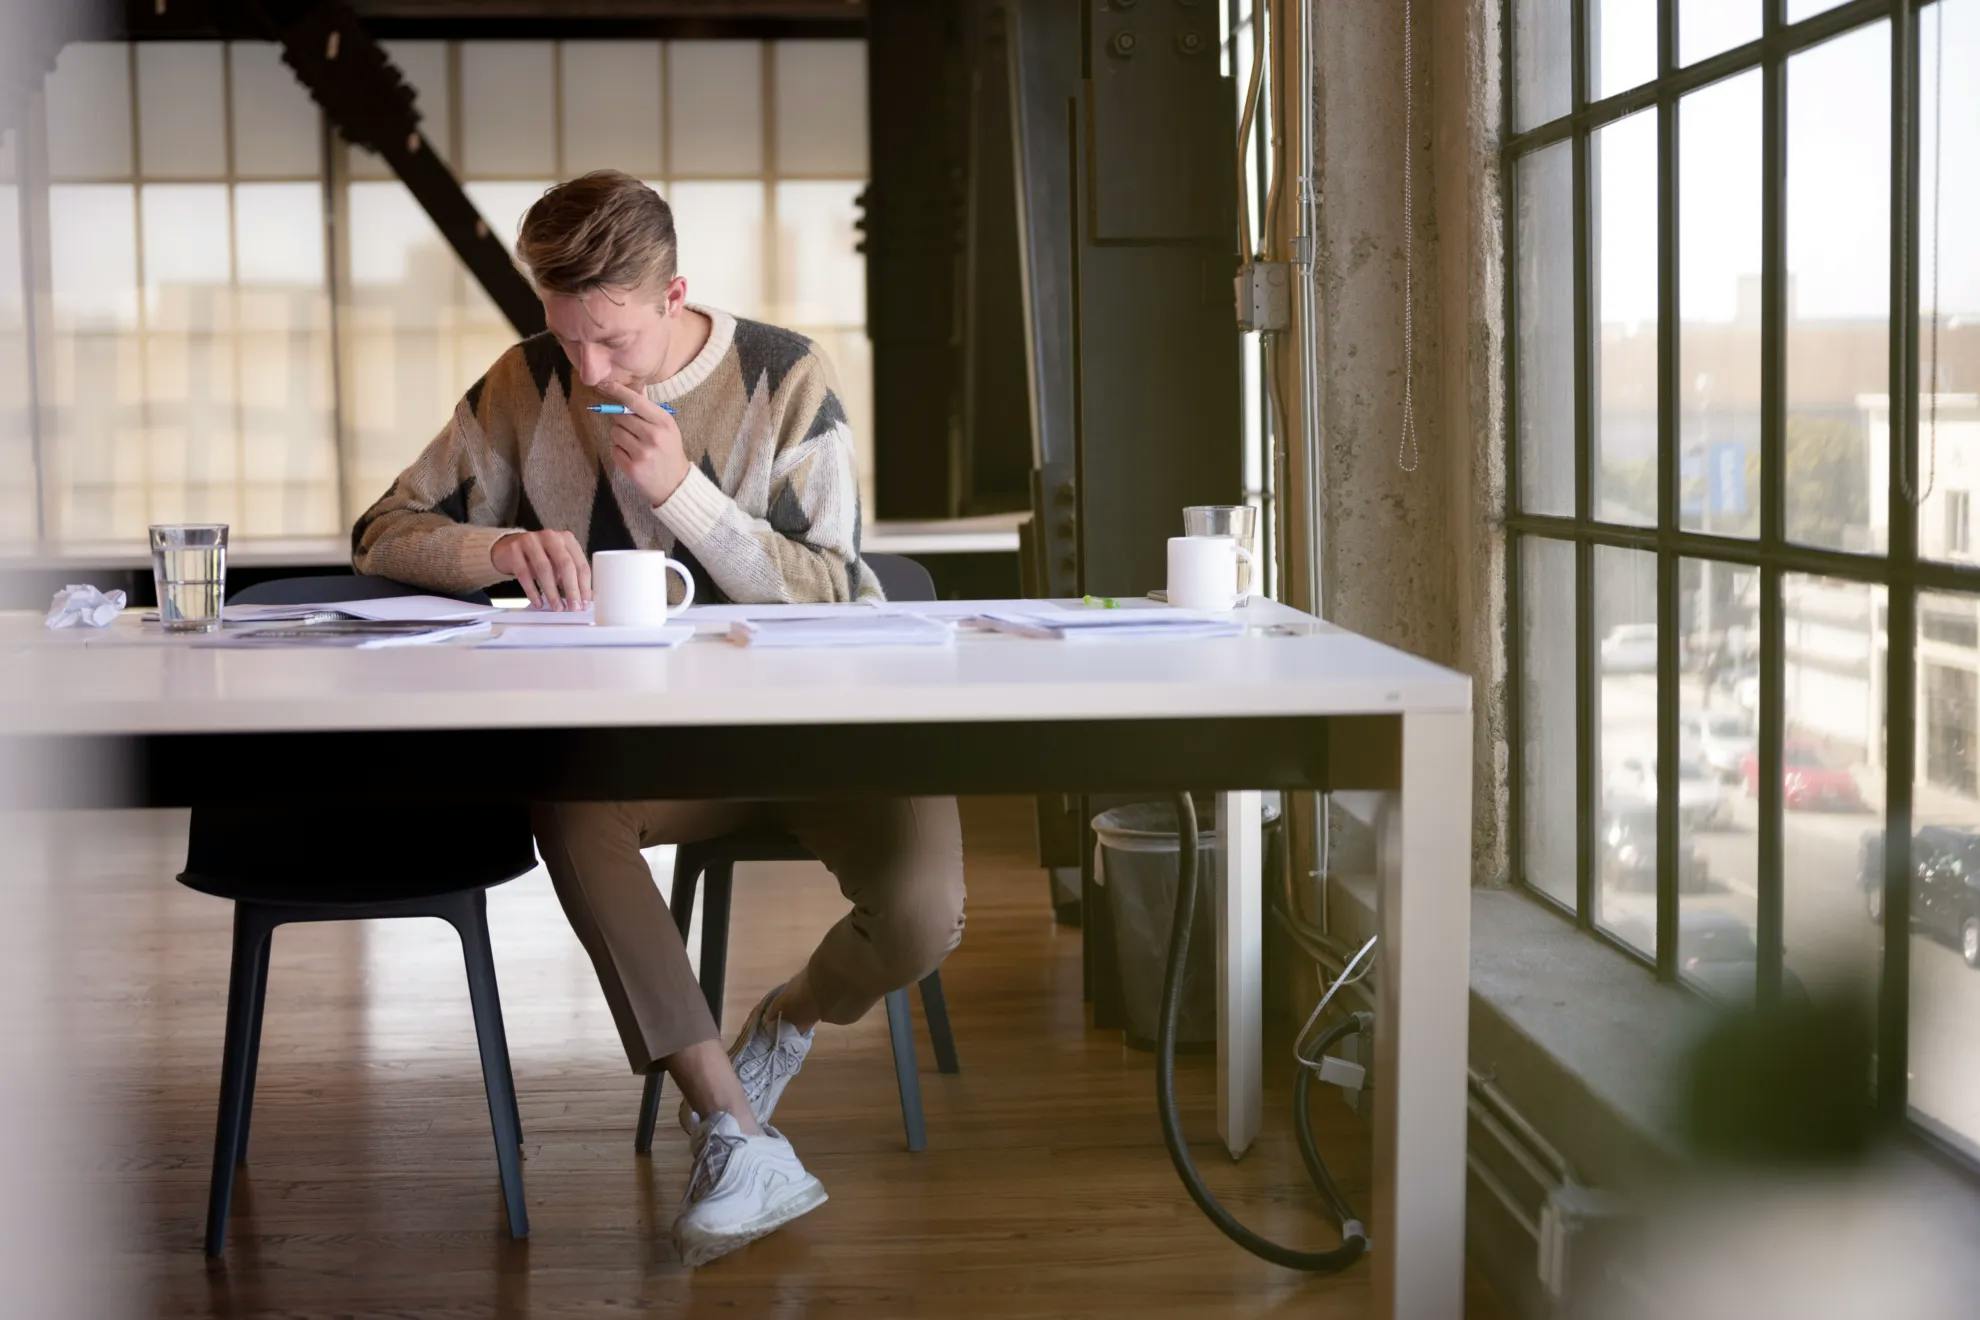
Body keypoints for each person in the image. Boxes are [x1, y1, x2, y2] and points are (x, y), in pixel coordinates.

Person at [350, 171, 966, 1267]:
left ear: (673, 290)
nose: (588, 371)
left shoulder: (785, 374)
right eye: (566, 336)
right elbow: (382, 530)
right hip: (663, 755)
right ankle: (733, 1126)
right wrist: (490, 551)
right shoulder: (527, 383)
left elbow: (835, 586)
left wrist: (685, 492)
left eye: (614, 341)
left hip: (825, 733)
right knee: (569, 808)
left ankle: (787, 1017)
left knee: (923, 915)